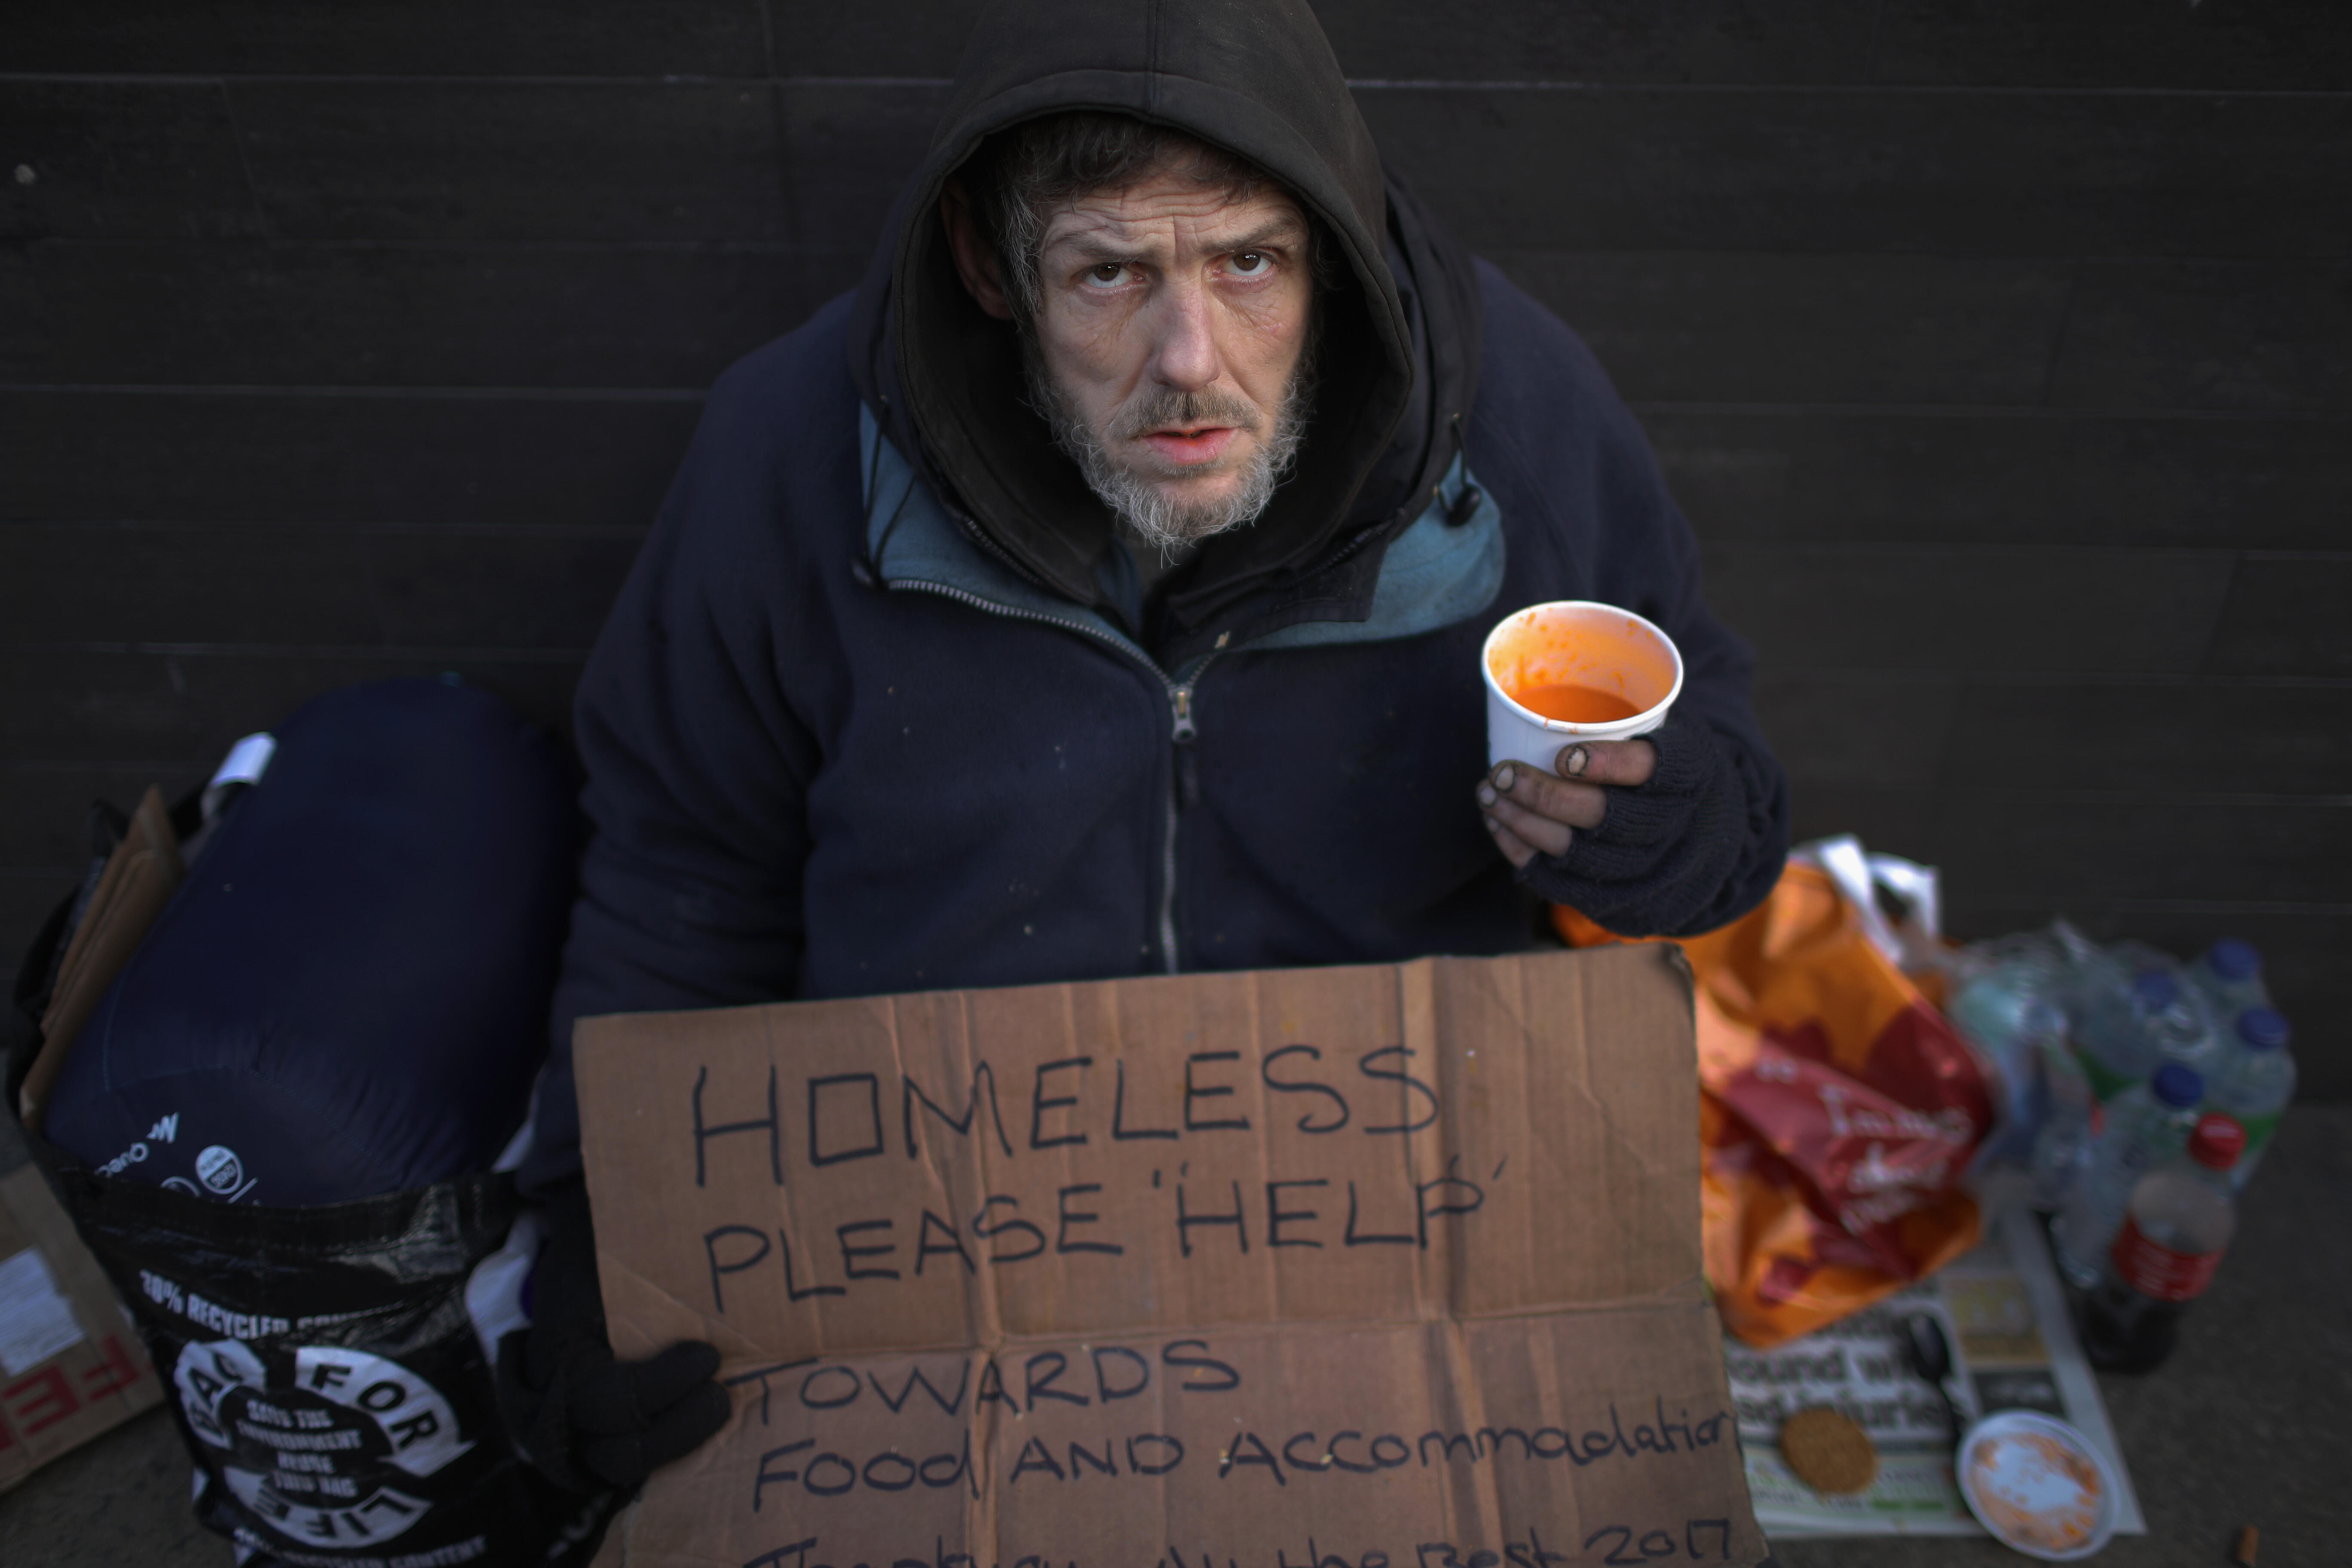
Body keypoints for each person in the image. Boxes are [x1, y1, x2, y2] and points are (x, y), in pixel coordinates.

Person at [496, 0, 1790, 1499]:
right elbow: (682, 879)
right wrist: (603, 1233)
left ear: (1337, 247)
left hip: (1388, 1188)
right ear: (991, 265)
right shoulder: (788, 452)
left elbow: (1732, 796)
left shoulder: (1506, 417)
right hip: (924, 1216)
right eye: (1110, 271)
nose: (1190, 360)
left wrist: (1668, 836)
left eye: (1251, 262)